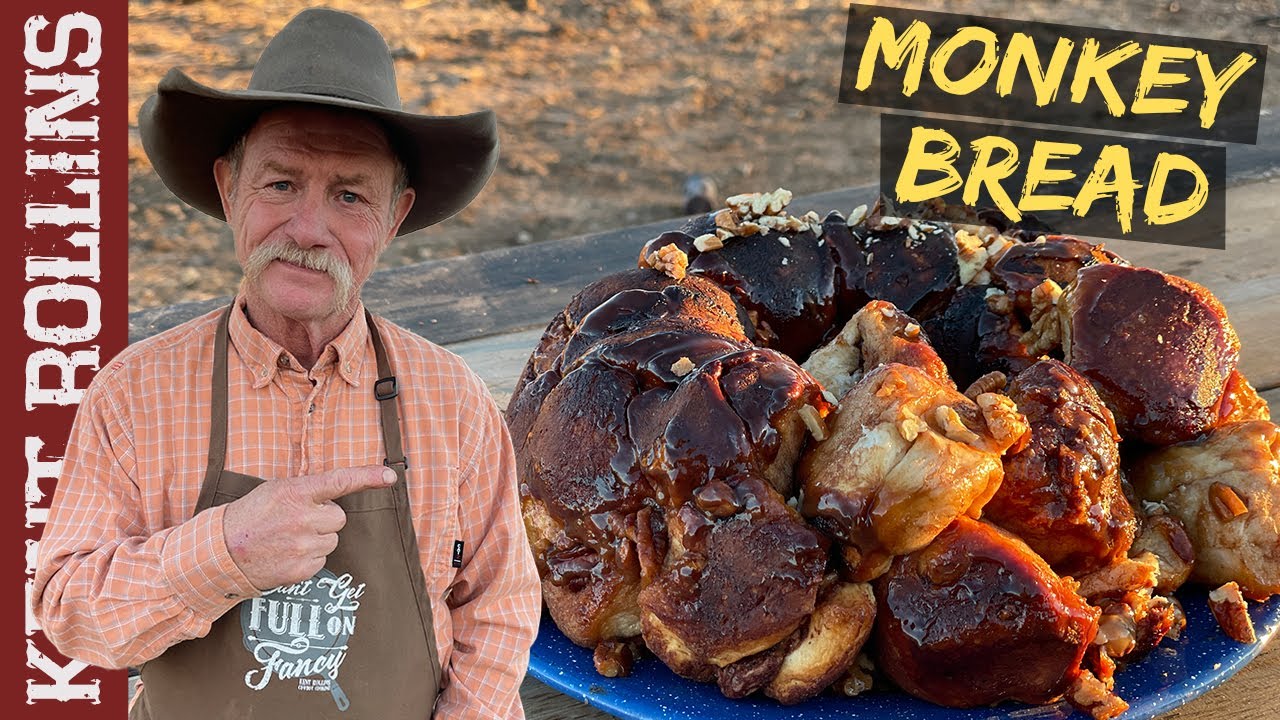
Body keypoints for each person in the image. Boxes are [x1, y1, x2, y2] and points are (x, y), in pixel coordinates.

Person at [31, 7, 541, 718]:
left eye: (350, 195)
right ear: (227, 188)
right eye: (279, 184)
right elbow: (69, 615)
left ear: (393, 219)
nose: (307, 229)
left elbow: (499, 608)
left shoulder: (451, 400)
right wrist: (228, 549)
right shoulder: (135, 392)